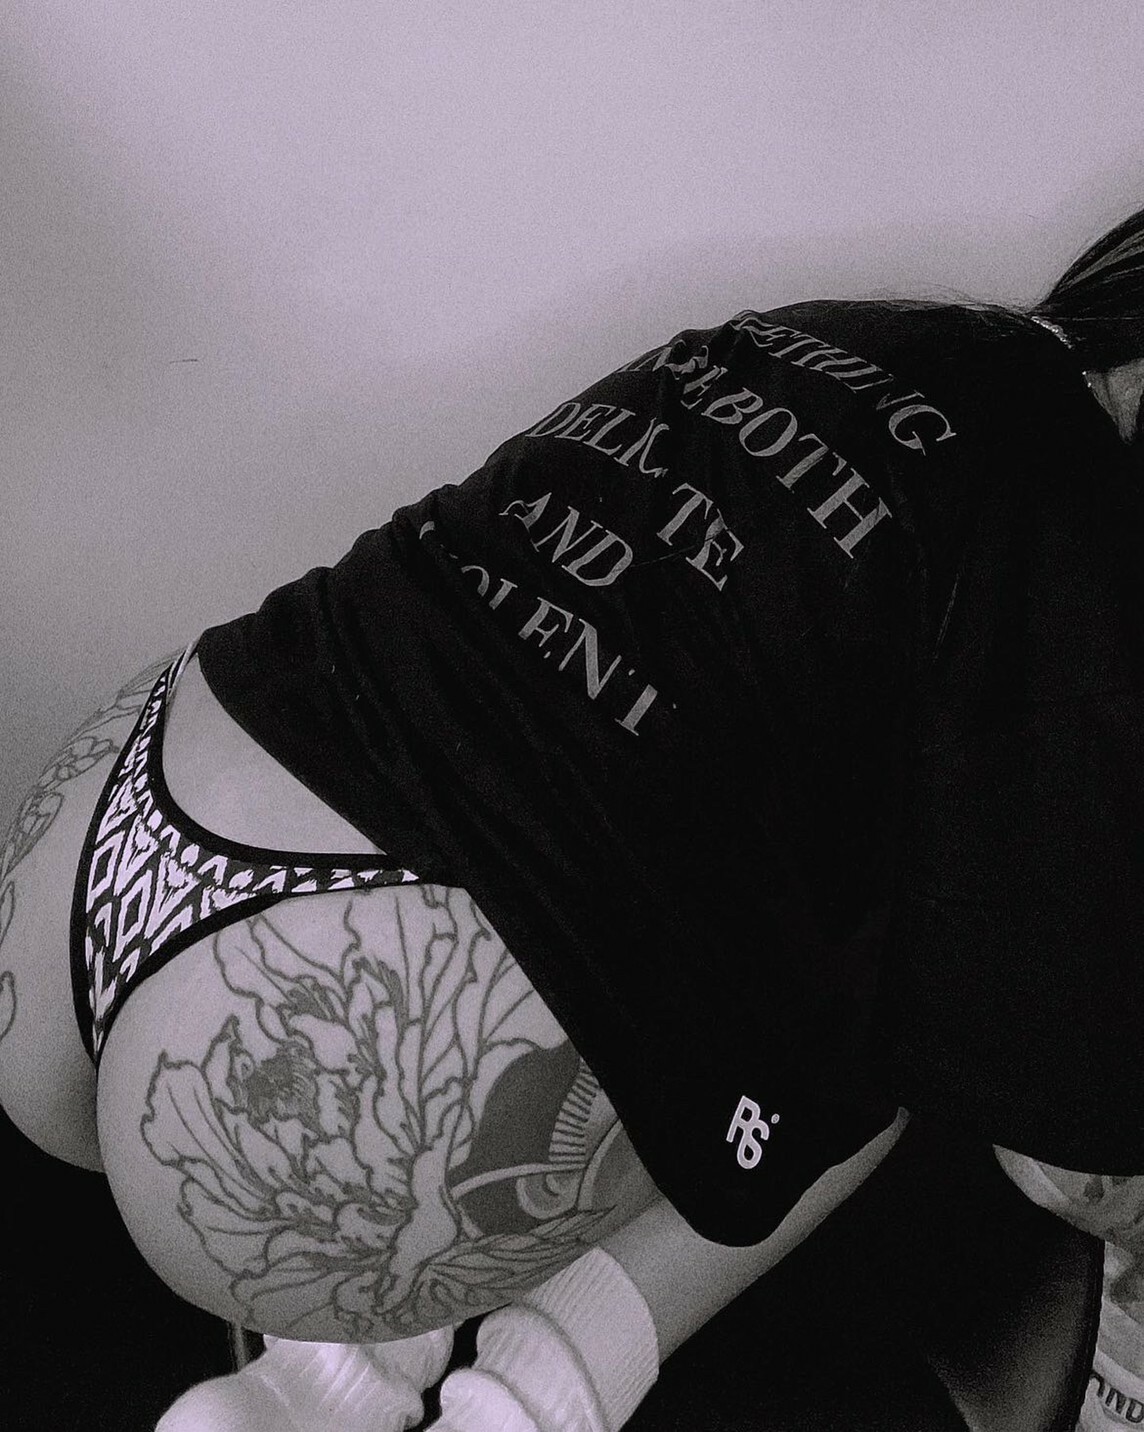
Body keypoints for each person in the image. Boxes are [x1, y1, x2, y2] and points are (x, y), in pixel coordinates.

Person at [4, 201, 1144, 1432]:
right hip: (310, 1107)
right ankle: (522, 1400)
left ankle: (326, 1380)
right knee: (896, 1001)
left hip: (86, 872)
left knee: (620, 865)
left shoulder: (864, 331)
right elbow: (1067, 1143)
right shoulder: (1095, 564)